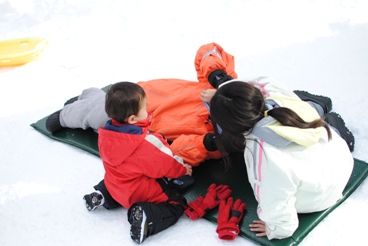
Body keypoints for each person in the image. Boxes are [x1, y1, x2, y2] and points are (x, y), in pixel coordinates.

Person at [206, 79, 354, 240]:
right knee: (304, 103)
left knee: (275, 184)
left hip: (321, 196)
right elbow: (258, 81)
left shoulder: (264, 157)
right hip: (341, 161)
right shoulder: (276, 96)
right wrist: (222, 94)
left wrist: (276, 229)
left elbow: (276, 201)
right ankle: (330, 120)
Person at [45, 42, 237, 166]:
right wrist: (218, 76)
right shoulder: (224, 88)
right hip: (143, 95)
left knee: (101, 121)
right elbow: (209, 51)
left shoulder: (215, 138)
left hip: (137, 122)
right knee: (98, 111)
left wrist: (206, 144)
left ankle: (84, 102)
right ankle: (75, 110)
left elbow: (177, 152)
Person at [84, 81, 192, 244]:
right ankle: (146, 216)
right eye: (145, 106)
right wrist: (183, 170)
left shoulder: (105, 134)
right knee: (177, 203)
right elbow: (166, 164)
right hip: (139, 193)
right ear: (133, 119)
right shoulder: (146, 144)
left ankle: (102, 195)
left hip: (115, 187)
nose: (148, 108)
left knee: (119, 175)